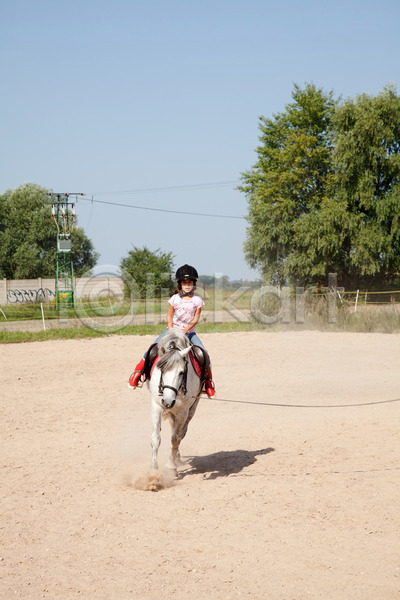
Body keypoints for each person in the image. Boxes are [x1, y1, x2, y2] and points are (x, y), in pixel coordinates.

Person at [128, 264, 215, 397]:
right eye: (184, 283)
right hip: (171, 330)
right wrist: (170, 330)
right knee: (152, 349)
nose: (187, 285)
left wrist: (185, 330)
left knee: (204, 354)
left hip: (189, 333)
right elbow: (169, 315)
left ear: (194, 284)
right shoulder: (174, 299)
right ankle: (138, 373)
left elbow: (196, 318)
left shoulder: (197, 300)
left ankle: (208, 383)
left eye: (190, 282)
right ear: (180, 284)